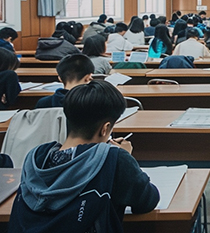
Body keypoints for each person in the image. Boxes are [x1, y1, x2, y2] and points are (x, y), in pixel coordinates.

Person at [10, 81, 159, 232]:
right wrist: (125, 158)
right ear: (105, 128)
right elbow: (147, 201)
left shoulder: (36, 156)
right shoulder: (114, 158)